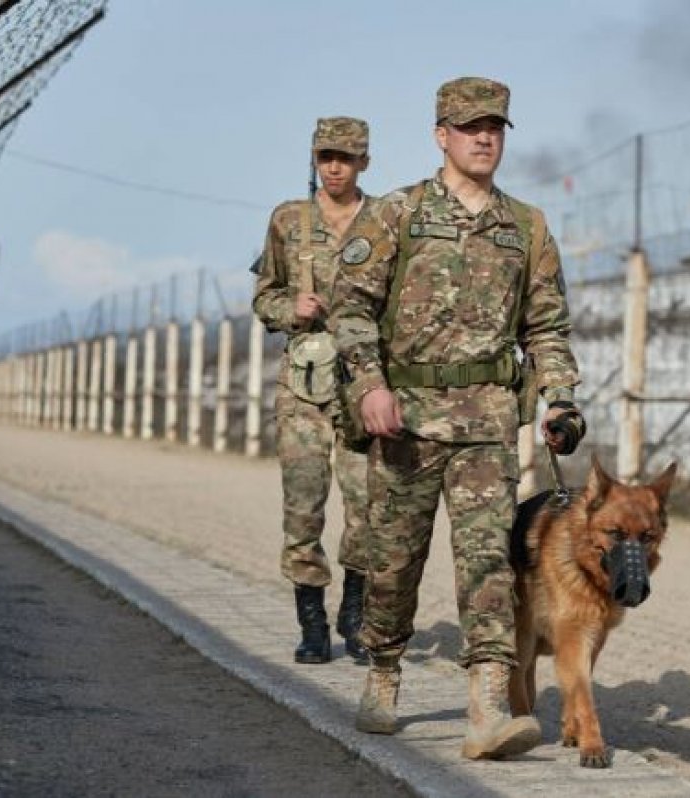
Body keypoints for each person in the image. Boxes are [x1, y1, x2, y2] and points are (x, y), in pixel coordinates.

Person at [330, 77, 584, 760]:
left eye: (495, 128)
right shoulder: (396, 213)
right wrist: (369, 386)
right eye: (470, 127)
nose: (484, 138)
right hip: (404, 421)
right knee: (393, 564)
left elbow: (547, 326)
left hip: (486, 426)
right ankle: (383, 673)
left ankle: (488, 709)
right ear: (441, 134)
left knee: (488, 565)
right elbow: (350, 306)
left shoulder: (525, 227)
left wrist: (559, 399)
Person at [252, 117, 375, 665]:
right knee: (303, 506)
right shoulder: (289, 221)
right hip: (304, 385)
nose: (333, 168)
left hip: (364, 382)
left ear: (362, 163)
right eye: (326, 156)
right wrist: (288, 309)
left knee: (368, 506)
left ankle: (355, 609)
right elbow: (264, 296)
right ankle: (312, 623)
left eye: (344, 158)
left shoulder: (383, 221)